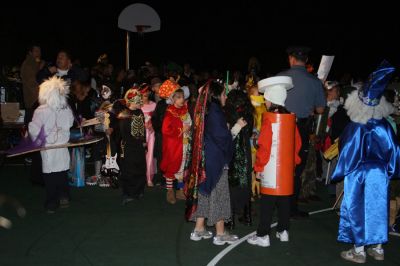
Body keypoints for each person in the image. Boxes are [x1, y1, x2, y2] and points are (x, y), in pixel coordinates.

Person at [331, 61, 400, 263]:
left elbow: (348, 152)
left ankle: (359, 251)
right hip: (379, 173)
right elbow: (394, 150)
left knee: (357, 207)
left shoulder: (356, 126)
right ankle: (378, 249)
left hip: (359, 172)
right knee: (379, 207)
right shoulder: (385, 125)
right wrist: (389, 170)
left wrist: (341, 171)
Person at [185, 81, 246, 245]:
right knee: (219, 193)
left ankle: (199, 228)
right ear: (216, 96)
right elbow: (222, 138)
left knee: (204, 191)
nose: (225, 96)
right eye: (223, 94)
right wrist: (235, 128)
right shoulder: (216, 112)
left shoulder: (202, 110)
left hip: (203, 157)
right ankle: (220, 233)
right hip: (215, 159)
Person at [247, 76, 301, 247]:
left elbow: (264, 144)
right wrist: (292, 161)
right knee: (284, 200)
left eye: (267, 99)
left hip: (270, 167)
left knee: (267, 202)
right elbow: (297, 143)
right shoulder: (291, 117)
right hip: (285, 167)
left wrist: (259, 166)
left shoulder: (269, 118)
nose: (266, 102)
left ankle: (263, 236)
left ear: (271, 100)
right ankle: (283, 231)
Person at [277, 46, 326, 217]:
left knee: (279, 166)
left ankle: (277, 204)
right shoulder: (314, 82)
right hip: (302, 129)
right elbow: (320, 109)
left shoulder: (280, 77)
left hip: (281, 127)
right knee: (297, 170)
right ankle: (291, 208)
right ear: (305, 61)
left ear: (291, 59)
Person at [28, 76, 74, 213]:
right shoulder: (65, 109)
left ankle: (52, 202)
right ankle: (64, 196)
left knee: (51, 175)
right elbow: (70, 123)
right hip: (60, 146)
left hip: (49, 148)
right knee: (61, 172)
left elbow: (34, 129)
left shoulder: (41, 110)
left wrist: (33, 136)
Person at [159, 80, 192, 204]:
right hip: (173, 146)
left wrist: (188, 127)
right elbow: (166, 130)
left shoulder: (185, 110)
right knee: (172, 167)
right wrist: (180, 129)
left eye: (182, 97)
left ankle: (179, 190)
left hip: (184, 144)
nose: (181, 99)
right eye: (178, 97)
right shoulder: (170, 112)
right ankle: (170, 191)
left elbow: (189, 122)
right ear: (172, 99)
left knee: (182, 167)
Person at [118, 88, 147, 204]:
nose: (140, 103)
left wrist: (144, 141)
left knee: (140, 167)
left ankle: (138, 190)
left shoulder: (140, 112)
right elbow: (122, 133)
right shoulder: (124, 114)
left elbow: (142, 128)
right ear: (130, 102)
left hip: (139, 145)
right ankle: (128, 193)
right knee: (129, 169)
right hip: (129, 146)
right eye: (137, 101)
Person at [140, 84, 157, 187]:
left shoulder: (154, 105)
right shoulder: (137, 105)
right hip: (140, 133)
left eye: (147, 92)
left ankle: (149, 178)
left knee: (149, 154)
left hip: (150, 133)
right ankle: (140, 176)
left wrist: (152, 125)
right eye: (143, 92)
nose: (145, 94)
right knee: (140, 154)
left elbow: (156, 120)